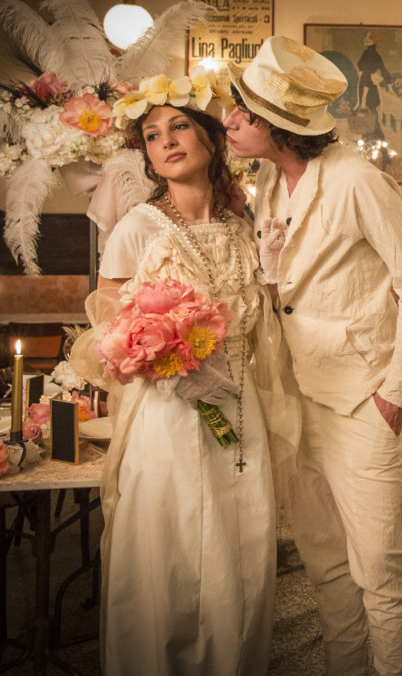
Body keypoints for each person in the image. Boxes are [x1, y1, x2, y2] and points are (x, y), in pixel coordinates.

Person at [223, 35, 402, 676]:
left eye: (244, 112)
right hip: (294, 395)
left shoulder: (358, 181)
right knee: (323, 562)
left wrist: (395, 396)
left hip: (361, 400)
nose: (231, 122)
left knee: (378, 567)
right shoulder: (267, 183)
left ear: (281, 126)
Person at [75, 80, 297, 674]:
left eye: (178, 127)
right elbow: (109, 329)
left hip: (240, 403)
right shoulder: (137, 228)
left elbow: (265, 309)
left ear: (209, 138)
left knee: (238, 536)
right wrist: (164, 356)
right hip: (170, 406)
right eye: (151, 136)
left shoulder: (243, 222)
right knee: (171, 537)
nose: (165, 141)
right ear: (146, 156)